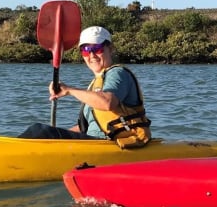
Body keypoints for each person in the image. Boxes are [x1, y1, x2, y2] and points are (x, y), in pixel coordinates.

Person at [17, 26, 152, 148]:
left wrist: (69, 90)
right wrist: (58, 135)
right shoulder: (95, 85)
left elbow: (108, 102)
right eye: (86, 50)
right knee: (45, 132)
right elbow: (85, 128)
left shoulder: (117, 73)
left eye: (97, 49)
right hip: (93, 142)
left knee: (39, 130)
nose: (92, 55)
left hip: (112, 144)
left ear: (110, 49)